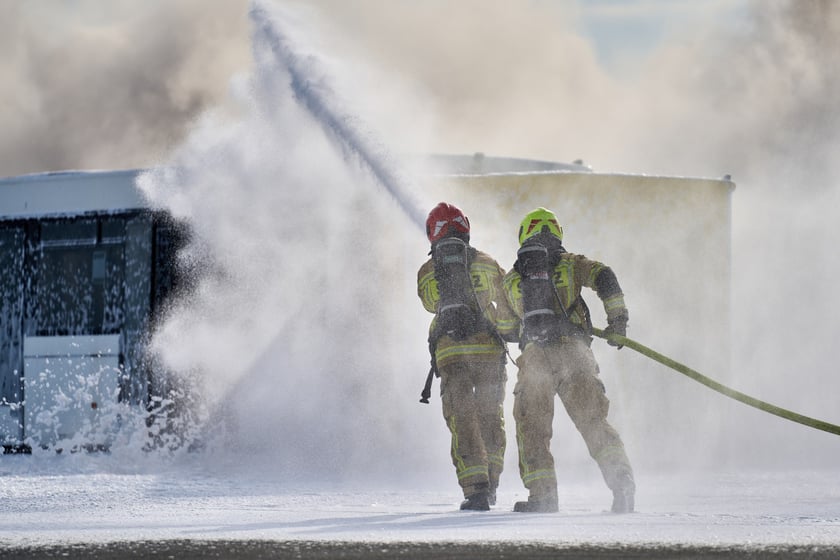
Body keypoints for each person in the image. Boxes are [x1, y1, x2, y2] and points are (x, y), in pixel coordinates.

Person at [502, 207, 635, 514]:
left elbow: (507, 325)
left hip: (536, 357)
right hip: (576, 353)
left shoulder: (513, 277)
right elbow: (605, 276)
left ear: (525, 234)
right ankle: (623, 483)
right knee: (594, 422)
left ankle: (543, 497)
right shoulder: (571, 264)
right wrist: (617, 321)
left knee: (532, 426)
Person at [417, 202, 519, 511]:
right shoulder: (489, 264)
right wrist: (511, 332)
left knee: (462, 418)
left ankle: (476, 490)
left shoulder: (427, 270)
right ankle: (492, 484)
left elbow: (429, 303)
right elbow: (507, 306)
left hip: (451, 354)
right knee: (491, 417)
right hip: (488, 353)